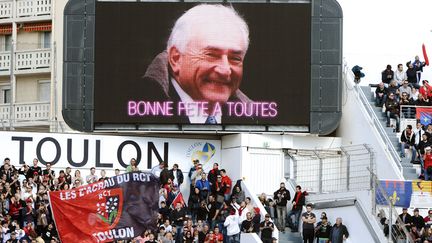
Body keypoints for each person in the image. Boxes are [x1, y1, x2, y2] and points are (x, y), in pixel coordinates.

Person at [140, 4, 253, 124]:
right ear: (176, 58)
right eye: (211, 55)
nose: (225, 70)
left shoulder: (256, 120)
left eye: (235, 58)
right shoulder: (130, 109)